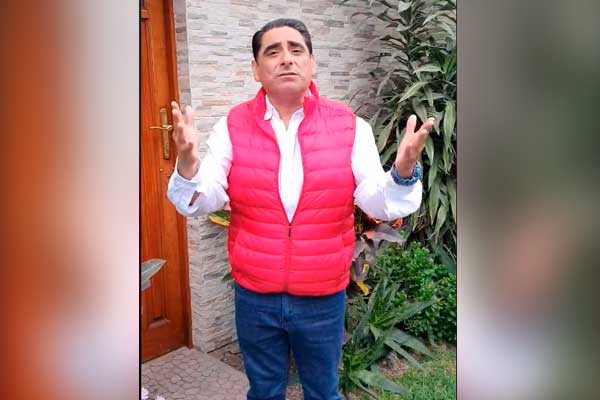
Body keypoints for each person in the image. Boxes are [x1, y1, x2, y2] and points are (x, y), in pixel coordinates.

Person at [167, 18, 433, 400]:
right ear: (256, 69)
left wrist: (403, 172)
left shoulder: (349, 126)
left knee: (323, 392)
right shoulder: (232, 126)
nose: (286, 59)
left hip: (322, 295)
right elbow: (202, 199)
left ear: (312, 63)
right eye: (272, 52)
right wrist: (188, 163)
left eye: (296, 50)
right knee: (264, 392)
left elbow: (375, 200)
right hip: (255, 295)